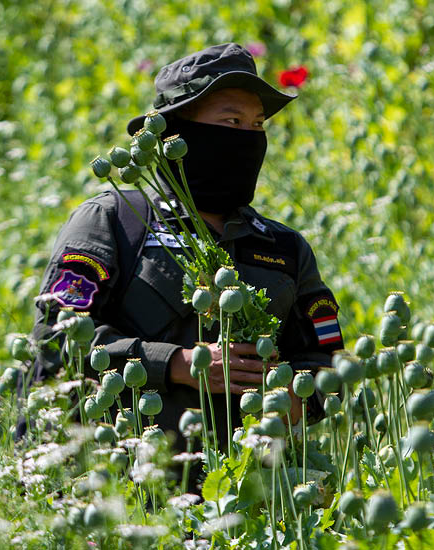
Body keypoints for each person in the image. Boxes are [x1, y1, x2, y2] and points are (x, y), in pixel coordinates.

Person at [31, 43, 343, 453]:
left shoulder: (283, 247)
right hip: (118, 482)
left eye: (257, 125)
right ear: (175, 132)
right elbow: (56, 339)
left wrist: (293, 401)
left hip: (241, 495)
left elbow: (328, 364)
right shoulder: (118, 220)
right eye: (231, 121)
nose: (247, 139)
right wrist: (178, 365)